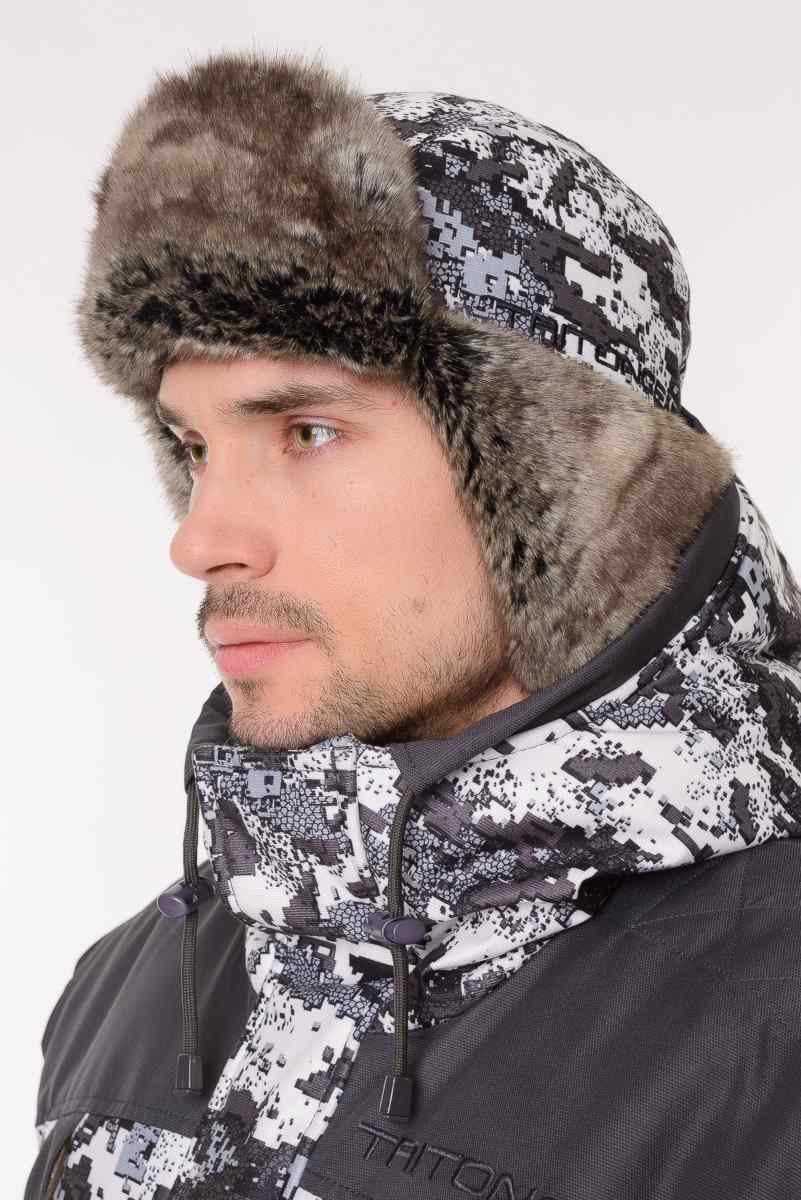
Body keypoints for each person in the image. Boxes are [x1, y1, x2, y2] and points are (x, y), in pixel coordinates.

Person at [27, 47, 801, 1200]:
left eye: (307, 431)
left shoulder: (771, 1040)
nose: (200, 538)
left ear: (561, 485)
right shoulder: (142, 981)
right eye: (194, 447)